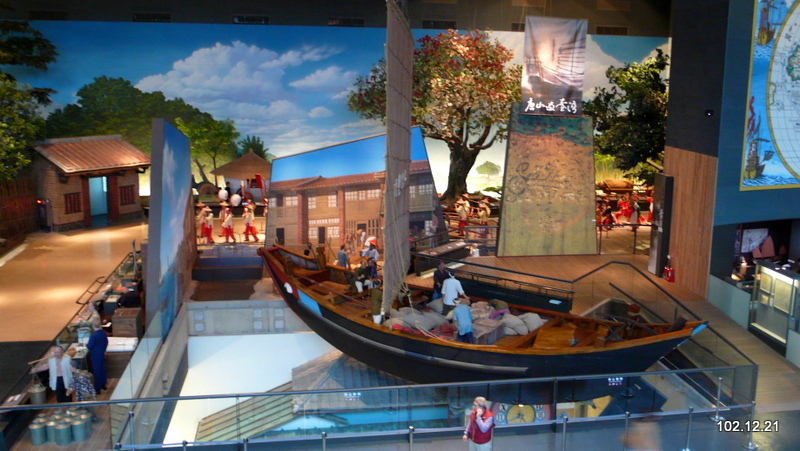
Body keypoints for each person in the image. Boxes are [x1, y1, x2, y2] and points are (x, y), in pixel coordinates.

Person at [86, 317, 108, 393]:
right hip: (102, 353)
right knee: (102, 369)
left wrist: (86, 345)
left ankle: (97, 388)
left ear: (92, 325)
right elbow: (106, 342)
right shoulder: (103, 333)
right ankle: (103, 384)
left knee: (96, 371)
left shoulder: (93, 336)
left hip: (95, 355)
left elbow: (90, 346)